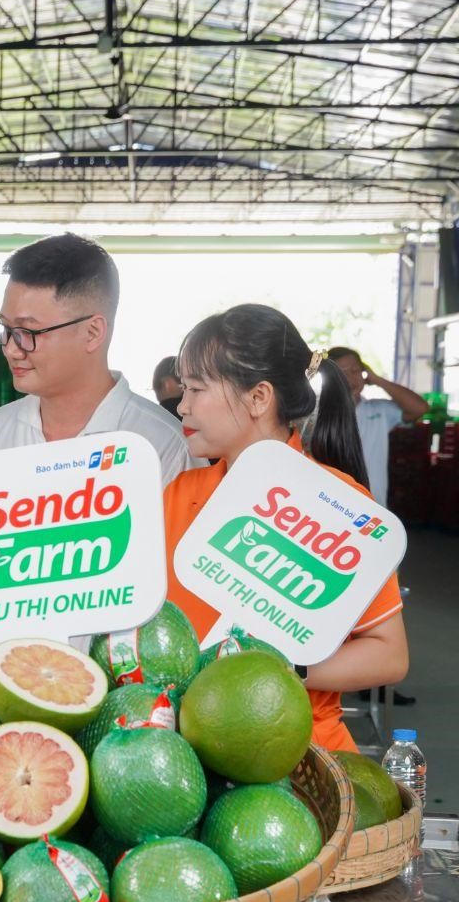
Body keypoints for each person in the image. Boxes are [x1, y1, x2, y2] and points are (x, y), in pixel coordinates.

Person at [165, 305, 409, 755]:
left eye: (197, 389)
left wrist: (279, 667)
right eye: (184, 388)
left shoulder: (336, 505)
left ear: (259, 397)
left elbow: (388, 655)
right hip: (188, 752)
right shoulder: (180, 495)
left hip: (303, 761)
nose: (182, 405)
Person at [0, 234, 193, 483]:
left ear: (93, 332)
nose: (11, 349)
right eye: (5, 329)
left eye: (26, 332)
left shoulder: (162, 447)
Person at [328, 346, 428, 506]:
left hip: (373, 506)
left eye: (355, 371)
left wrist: (377, 380)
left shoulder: (378, 410)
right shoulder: (317, 415)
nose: (350, 379)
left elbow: (419, 408)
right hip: (329, 504)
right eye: (342, 373)